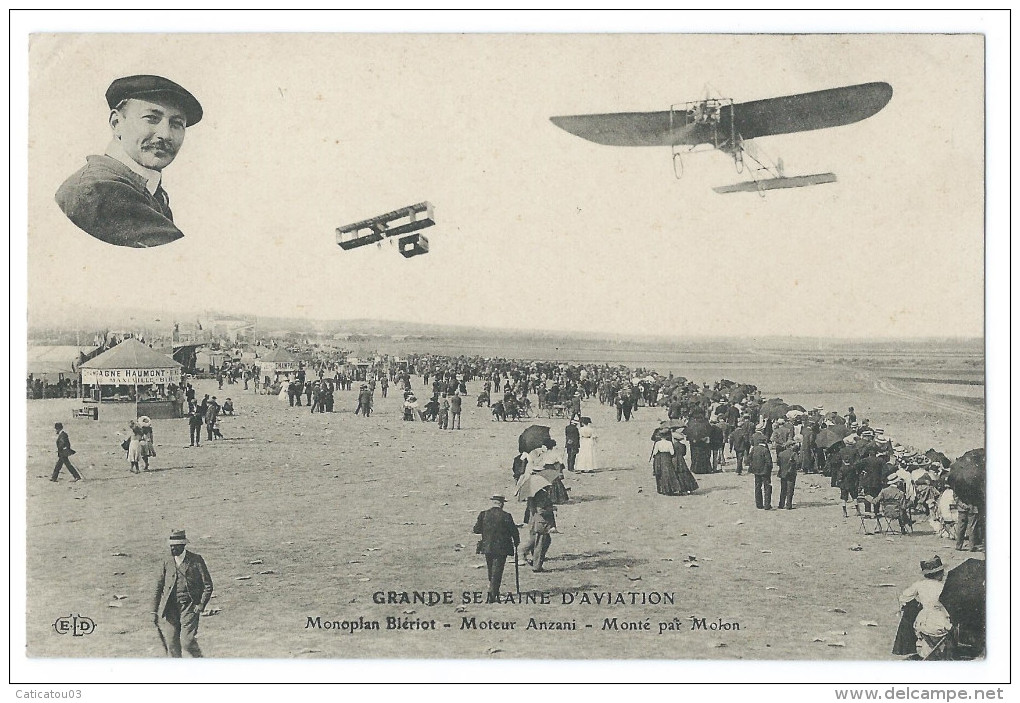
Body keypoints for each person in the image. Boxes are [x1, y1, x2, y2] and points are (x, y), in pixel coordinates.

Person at [55, 75, 203, 248]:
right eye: (151, 118)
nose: (165, 134)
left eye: (176, 124)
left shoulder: (150, 192)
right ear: (117, 123)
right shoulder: (102, 190)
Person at [151, 530, 214, 657]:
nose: (172, 548)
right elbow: (158, 587)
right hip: (170, 608)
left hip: (190, 607)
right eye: (171, 545)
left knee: (187, 642)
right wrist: (154, 611)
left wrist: (201, 604)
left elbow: (208, 585)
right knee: (172, 644)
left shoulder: (196, 560)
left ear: (183, 546)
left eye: (175, 546)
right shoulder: (167, 561)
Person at [897, 556, 953, 659]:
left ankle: (928, 651)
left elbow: (903, 597)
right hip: (940, 624)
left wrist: (915, 603)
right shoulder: (943, 587)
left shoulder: (919, 585)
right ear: (939, 574)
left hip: (923, 623)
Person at [472, 496, 520, 603]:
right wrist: (516, 542)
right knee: (497, 570)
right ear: (501, 504)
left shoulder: (483, 514)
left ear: (493, 503)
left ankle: (493, 590)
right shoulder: (506, 516)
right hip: (502, 547)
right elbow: (514, 531)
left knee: (491, 569)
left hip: (487, 546)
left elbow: (476, 530)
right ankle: (493, 594)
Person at [522, 486, 557, 572]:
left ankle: (533, 560)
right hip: (541, 523)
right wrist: (552, 508)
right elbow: (540, 510)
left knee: (539, 541)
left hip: (533, 522)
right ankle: (536, 566)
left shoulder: (532, 494)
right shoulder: (542, 494)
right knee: (541, 543)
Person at [650, 429, 684, 496]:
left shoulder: (658, 443)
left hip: (660, 458)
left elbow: (655, 452)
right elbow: (672, 453)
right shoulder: (669, 443)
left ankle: (663, 489)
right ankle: (671, 488)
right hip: (667, 457)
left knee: (661, 473)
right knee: (669, 472)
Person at [747, 436, 774, 510]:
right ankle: (767, 505)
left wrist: (752, 465)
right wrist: (770, 468)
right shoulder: (765, 450)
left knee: (757, 487)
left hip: (756, 471)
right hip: (765, 472)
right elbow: (769, 462)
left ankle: (759, 504)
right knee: (767, 488)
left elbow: (749, 458)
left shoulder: (754, 449)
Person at [776, 440, 799, 510]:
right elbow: (798, 463)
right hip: (791, 473)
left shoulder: (781, 454)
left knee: (783, 489)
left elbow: (778, 463)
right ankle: (789, 504)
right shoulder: (794, 454)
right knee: (790, 489)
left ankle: (781, 504)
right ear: (790, 446)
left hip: (783, 473)